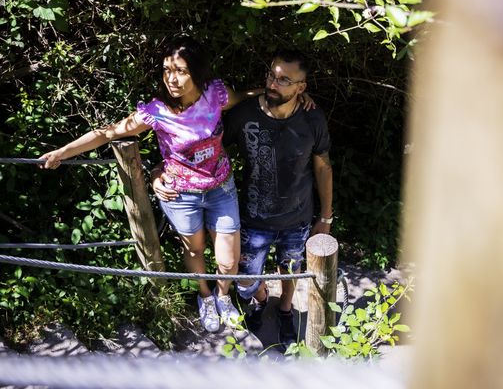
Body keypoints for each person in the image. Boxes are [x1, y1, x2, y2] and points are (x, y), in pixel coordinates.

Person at [40, 36, 263, 333]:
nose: (172, 78)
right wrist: (62, 153)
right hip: (180, 194)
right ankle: (206, 297)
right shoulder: (156, 111)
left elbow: (244, 98)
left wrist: (275, 92)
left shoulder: (215, 94)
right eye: (166, 70)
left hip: (220, 187)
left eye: (181, 71)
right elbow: (107, 133)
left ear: (197, 72)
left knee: (228, 258)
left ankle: (225, 296)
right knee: (195, 251)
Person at [153, 49, 333, 350]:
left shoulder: (312, 118)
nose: (273, 84)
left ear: (301, 88)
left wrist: (325, 217)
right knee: (246, 279)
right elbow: (201, 146)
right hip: (253, 219)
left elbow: (323, 166)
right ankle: (261, 301)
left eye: (284, 80)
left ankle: (286, 310)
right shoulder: (245, 113)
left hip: (298, 216)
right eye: (271, 76)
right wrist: (158, 170)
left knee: (290, 269)